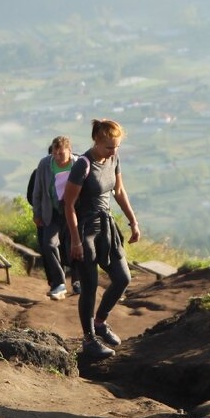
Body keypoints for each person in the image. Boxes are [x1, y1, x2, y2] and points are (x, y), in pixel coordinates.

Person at [63, 119, 141, 359]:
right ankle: (89, 340)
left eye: (116, 146)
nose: (114, 151)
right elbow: (68, 204)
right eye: (109, 147)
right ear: (97, 141)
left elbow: (118, 191)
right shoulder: (82, 166)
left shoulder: (113, 159)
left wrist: (133, 221)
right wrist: (75, 241)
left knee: (122, 278)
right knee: (89, 287)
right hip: (85, 231)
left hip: (106, 226)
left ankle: (100, 322)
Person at [30, 136, 77, 300]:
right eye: (55, 153)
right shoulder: (45, 164)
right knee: (48, 244)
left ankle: (77, 281)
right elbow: (37, 191)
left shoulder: (78, 164)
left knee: (74, 246)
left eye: (61, 154)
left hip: (74, 212)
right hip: (52, 211)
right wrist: (37, 213)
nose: (57, 157)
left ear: (69, 151)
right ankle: (59, 282)